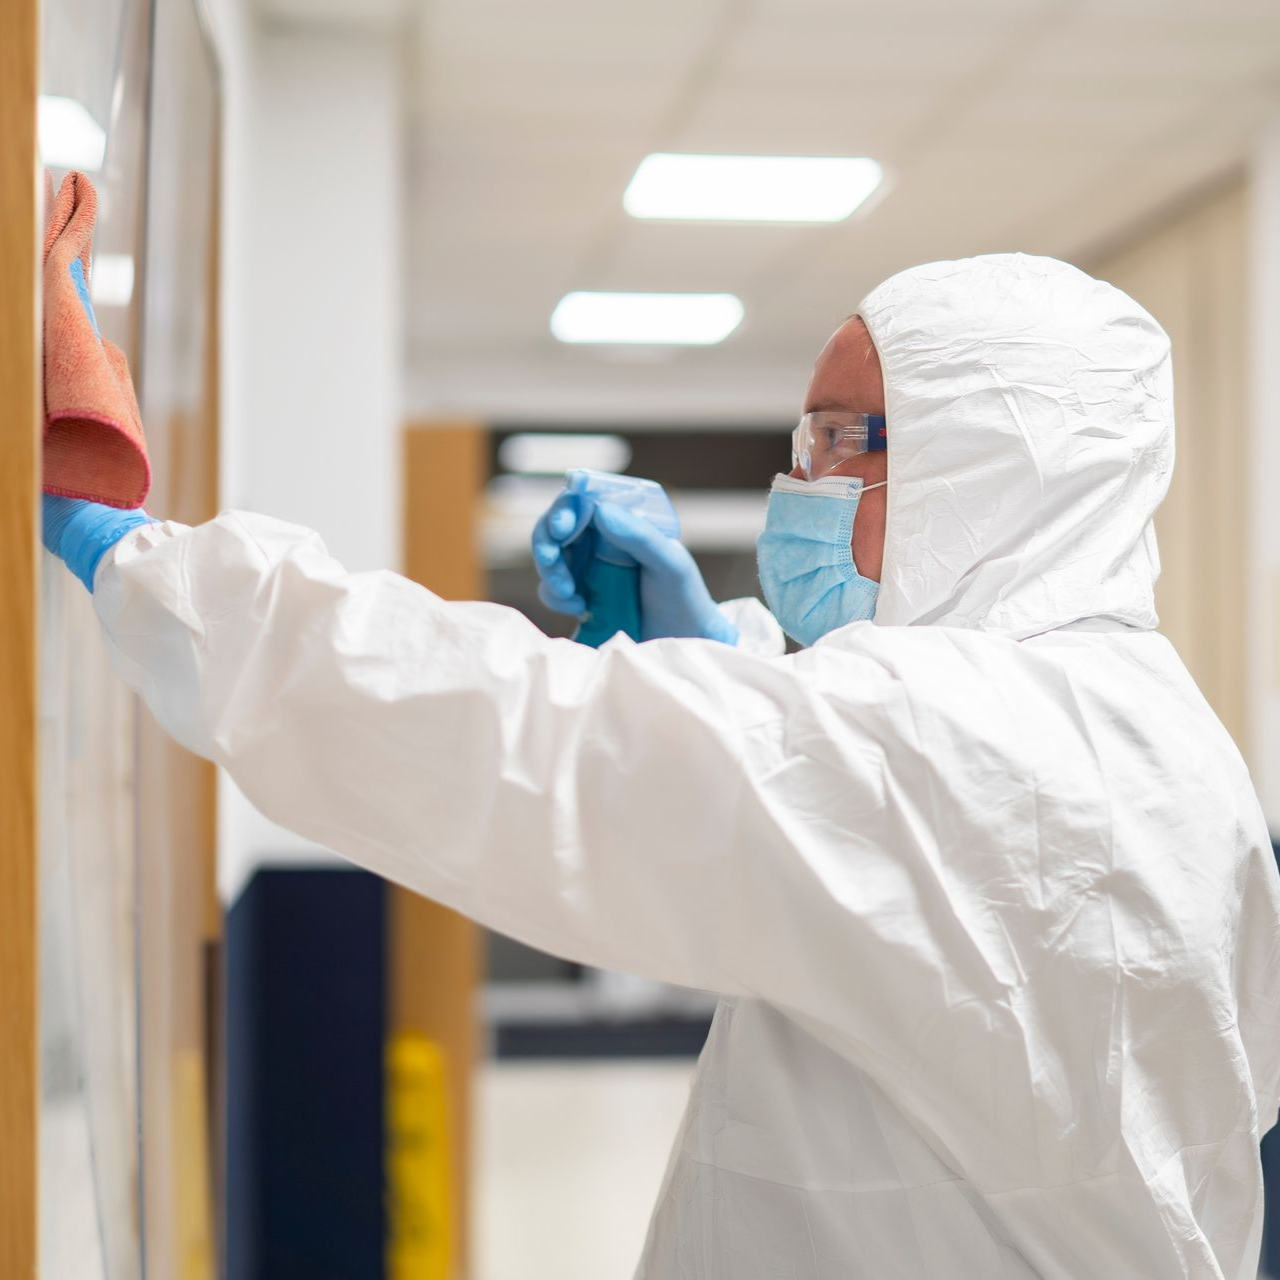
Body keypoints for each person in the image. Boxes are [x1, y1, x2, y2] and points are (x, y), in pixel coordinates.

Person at [44, 253, 1280, 1278]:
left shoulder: (940, 738)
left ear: (988, 472)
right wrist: (704, 654)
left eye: (843, 439)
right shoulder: (1159, 739)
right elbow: (885, 860)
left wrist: (151, 567)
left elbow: (510, 729)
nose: (800, 479)